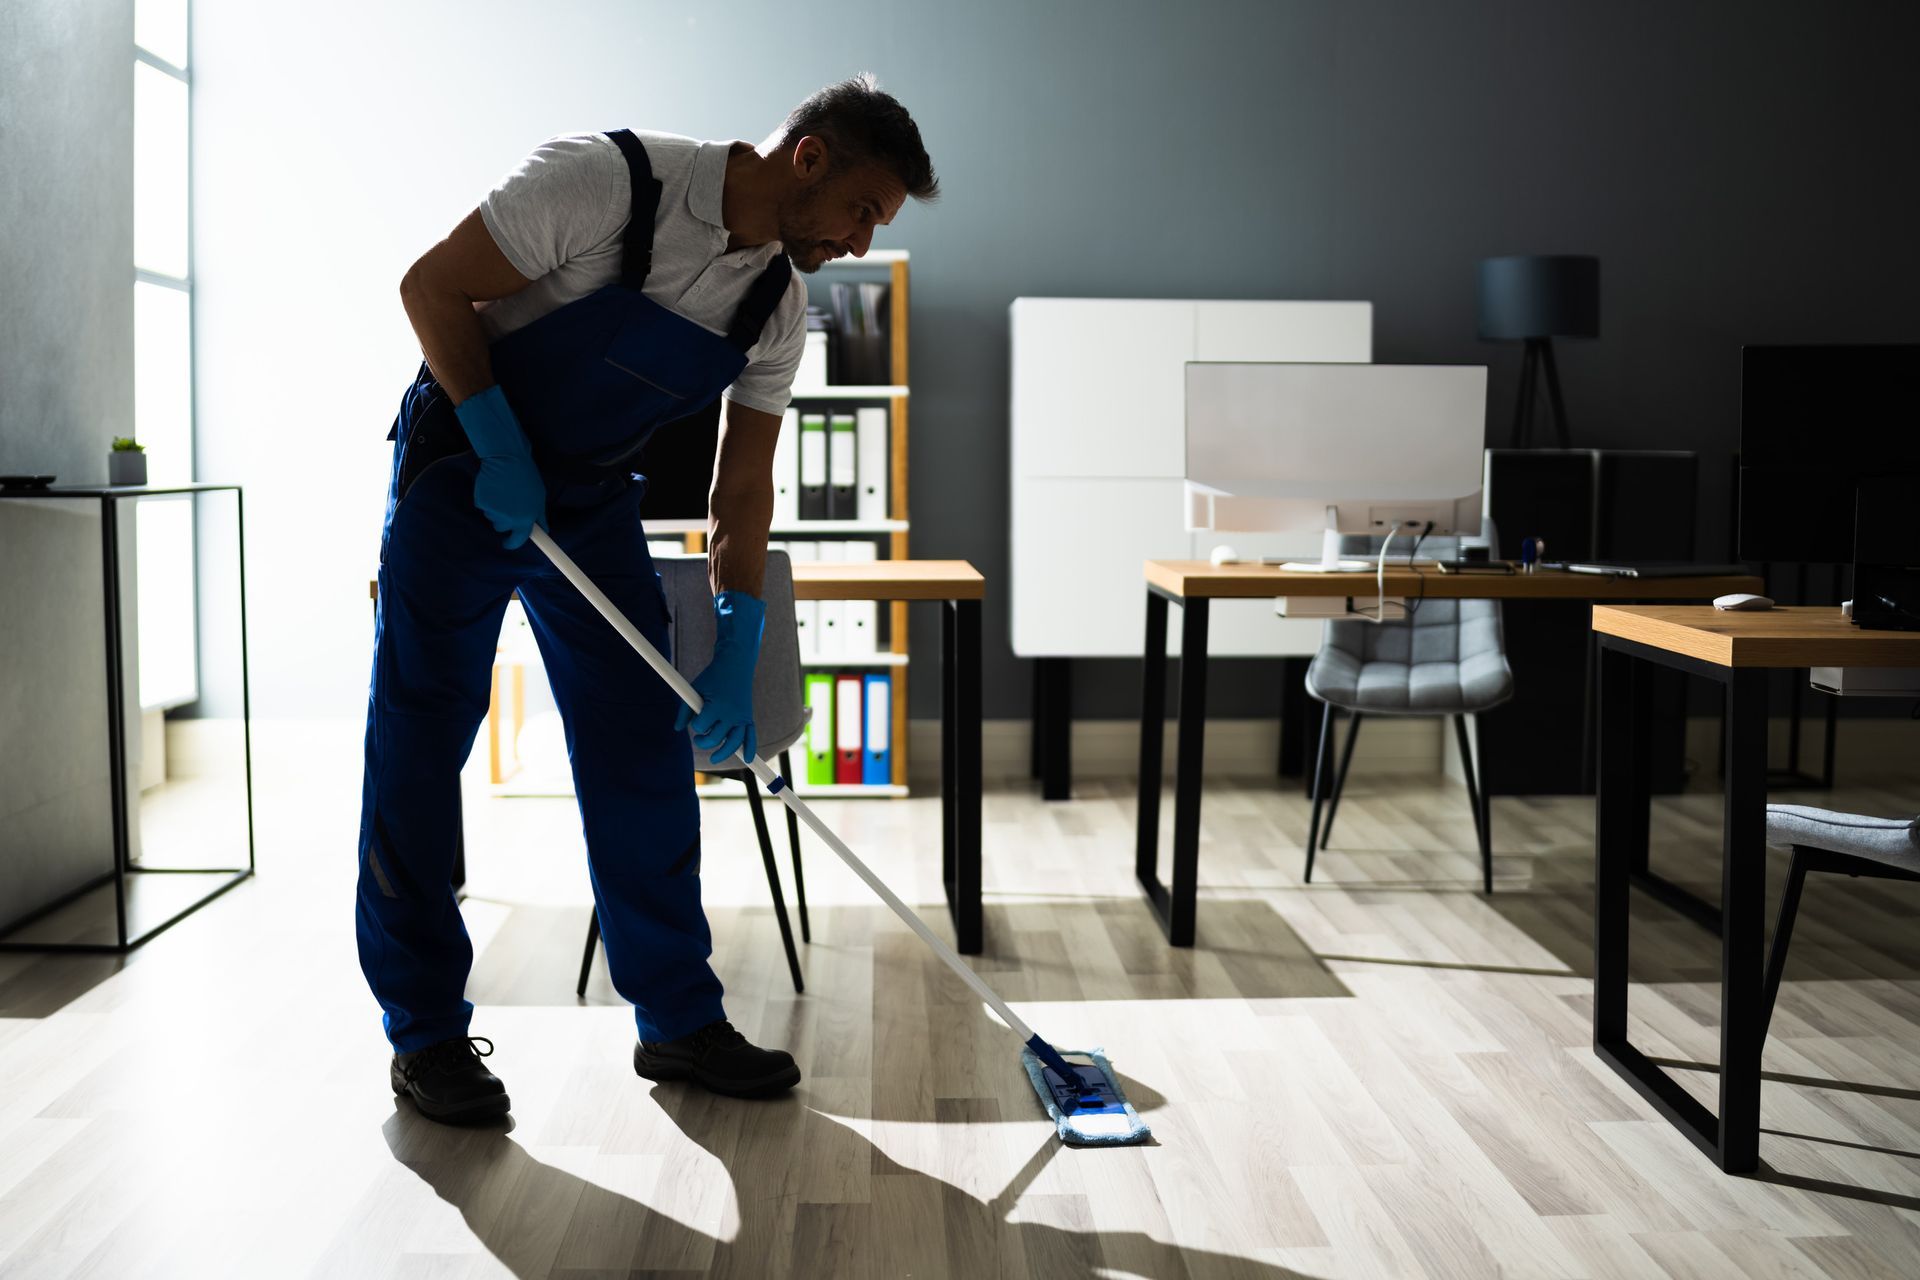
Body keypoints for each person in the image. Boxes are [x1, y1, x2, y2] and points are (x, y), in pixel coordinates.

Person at [357, 75, 937, 1124]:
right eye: (862, 210)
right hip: (465, 477)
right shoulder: (608, 183)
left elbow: (743, 484)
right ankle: (426, 1035)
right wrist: (494, 442)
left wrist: (737, 622)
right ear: (809, 157)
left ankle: (676, 1014)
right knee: (418, 740)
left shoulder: (775, 304)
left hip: (582, 503)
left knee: (642, 742)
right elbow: (431, 287)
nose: (859, 242)